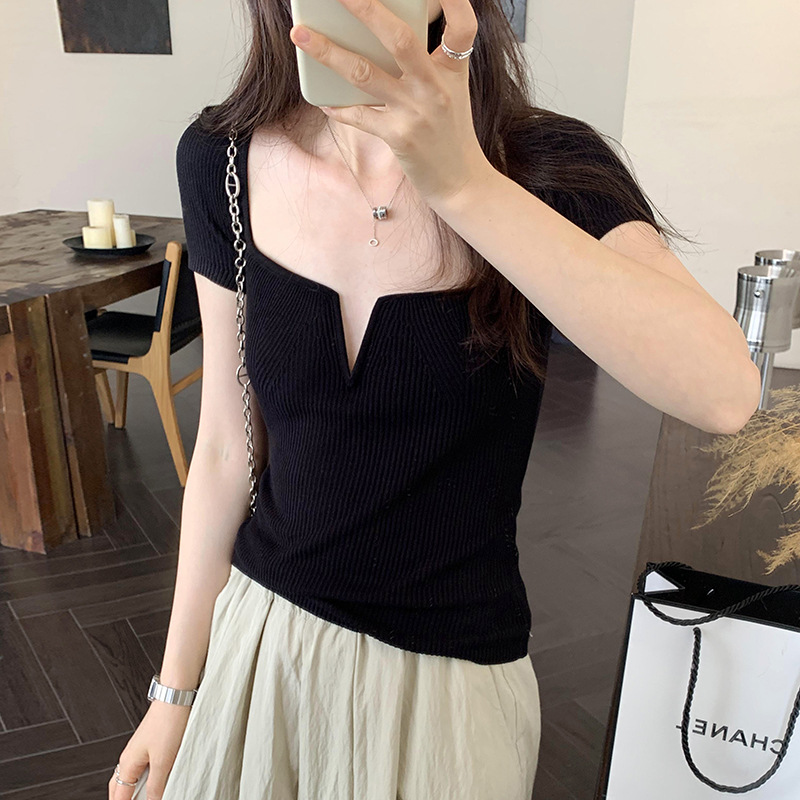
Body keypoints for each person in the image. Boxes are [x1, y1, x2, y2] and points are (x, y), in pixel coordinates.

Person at [109, 0, 761, 797]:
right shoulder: (222, 159)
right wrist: (174, 692)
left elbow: (723, 393)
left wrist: (462, 183)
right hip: (261, 640)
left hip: (450, 684)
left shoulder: (543, 164)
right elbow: (224, 446)